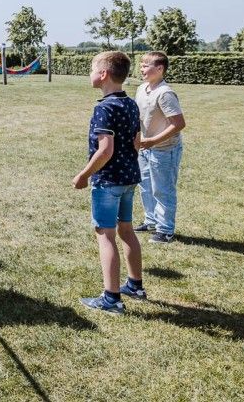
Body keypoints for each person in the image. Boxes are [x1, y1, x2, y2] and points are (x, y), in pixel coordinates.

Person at [72, 51, 146, 315]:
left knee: (105, 236)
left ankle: (111, 298)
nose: (90, 73)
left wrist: (84, 175)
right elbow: (137, 142)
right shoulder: (130, 104)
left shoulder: (104, 108)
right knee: (126, 230)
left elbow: (105, 150)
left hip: (108, 181)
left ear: (103, 74)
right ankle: (135, 285)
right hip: (129, 179)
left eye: (92, 68)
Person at [133, 51, 186, 243]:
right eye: (141, 65)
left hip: (165, 149)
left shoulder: (165, 93)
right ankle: (151, 221)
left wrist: (154, 141)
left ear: (160, 68)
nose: (142, 68)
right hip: (146, 148)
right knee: (145, 186)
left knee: (162, 189)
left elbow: (178, 123)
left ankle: (165, 230)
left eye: (146, 65)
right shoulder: (142, 88)